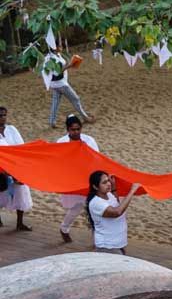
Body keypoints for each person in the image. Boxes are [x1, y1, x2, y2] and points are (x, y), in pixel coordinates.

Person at [56, 114, 99, 242]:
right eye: (73, 130)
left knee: (94, 207)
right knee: (77, 207)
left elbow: (96, 157)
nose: (76, 132)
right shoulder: (61, 142)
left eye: (78, 129)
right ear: (67, 130)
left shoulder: (89, 140)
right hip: (71, 179)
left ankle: (98, 237)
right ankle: (64, 228)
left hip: (88, 178)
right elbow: (58, 161)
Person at [86, 171, 141, 255]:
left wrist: (114, 187)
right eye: (104, 182)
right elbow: (117, 212)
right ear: (95, 187)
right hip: (108, 246)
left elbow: (116, 204)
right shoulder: (96, 202)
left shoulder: (108, 194)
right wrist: (132, 191)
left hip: (118, 244)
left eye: (108, 180)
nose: (108, 184)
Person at [0, 106, 34, 231]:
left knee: (21, 193)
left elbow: (21, 148)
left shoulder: (12, 130)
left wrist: (17, 171)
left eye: (4, 115)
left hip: (16, 167)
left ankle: (20, 223)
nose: (2, 118)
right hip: (1, 171)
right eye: (0, 116)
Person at [47, 52, 96, 128]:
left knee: (55, 102)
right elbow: (57, 73)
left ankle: (51, 122)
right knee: (75, 99)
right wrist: (69, 66)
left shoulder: (55, 56)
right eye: (59, 46)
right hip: (61, 84)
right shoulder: (53, 59)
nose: (61, 47)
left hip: (55, 84)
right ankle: (85, 117)